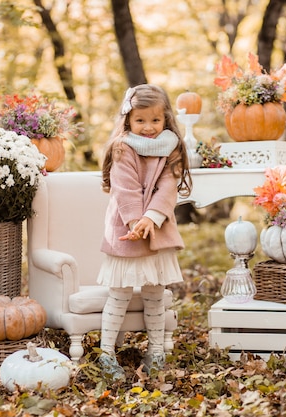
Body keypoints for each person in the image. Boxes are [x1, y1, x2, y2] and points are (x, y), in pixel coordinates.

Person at [97, 84, 192, 381]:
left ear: (165, 119)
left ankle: (156, 351)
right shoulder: (122, 147)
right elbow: (124, 188)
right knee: (120, 293)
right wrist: (135, 222)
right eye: (140, 120)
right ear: (128, 120)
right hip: (128, 228)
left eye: (155, 120)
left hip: (157, 228)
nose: (148, 127)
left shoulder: (172, 146)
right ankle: (106, 353)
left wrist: (151, 218)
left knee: (154, 293)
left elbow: (168, 186)